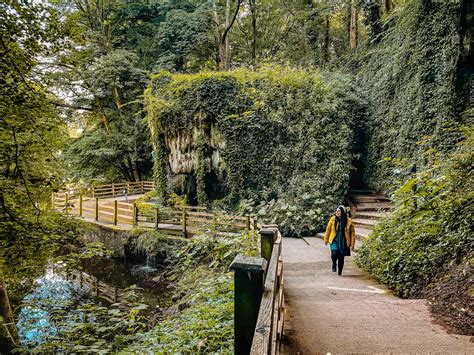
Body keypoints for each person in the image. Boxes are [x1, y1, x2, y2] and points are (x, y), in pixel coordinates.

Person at [323, 205, 356, 275]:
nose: (337, 212)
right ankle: (334, 263)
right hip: (334, 239)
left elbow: (352, 234)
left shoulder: (349, 221)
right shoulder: (333, 219)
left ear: (343, 212)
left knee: (341, 257)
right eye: (336, 211)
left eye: (339, 211)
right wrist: (326, 239)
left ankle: (340, 272)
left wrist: (352, 244)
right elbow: (328, 229)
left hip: (344, 241)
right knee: (334, 253)